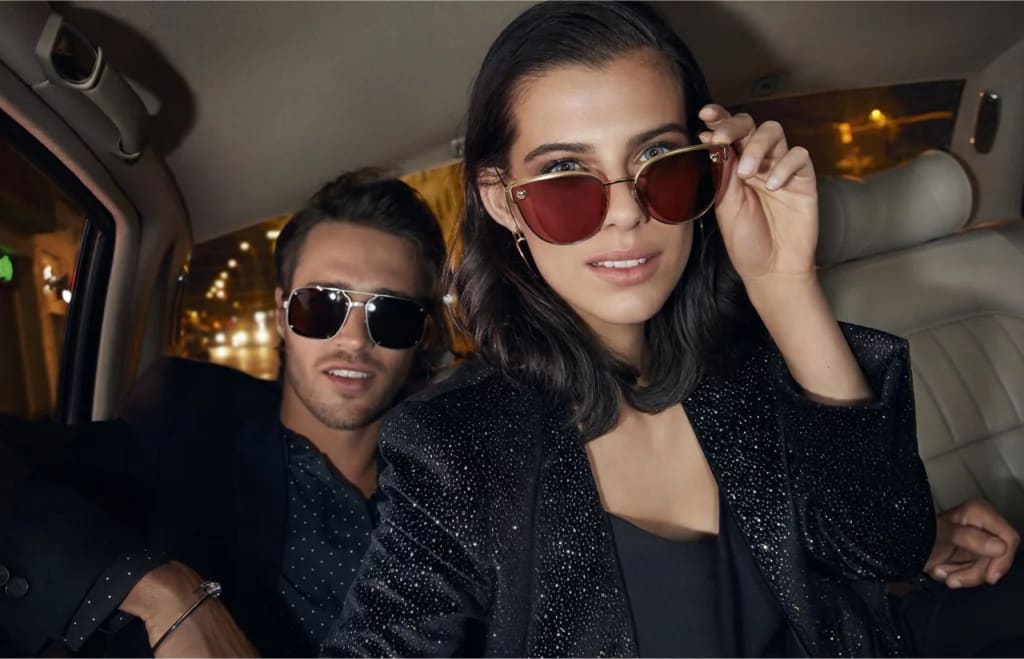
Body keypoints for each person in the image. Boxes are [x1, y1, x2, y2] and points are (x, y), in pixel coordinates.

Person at [322, 3, 1016, 657]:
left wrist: (784, 283)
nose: (627, 212)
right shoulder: (455, 447)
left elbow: (883, 546)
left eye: (659, 161)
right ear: (503, 203)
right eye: (565, 174)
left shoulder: (749, 361)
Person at [0, 170, 449, 657]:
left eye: (391, 314)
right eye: (321, 305)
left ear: (423, 334)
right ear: (281, 315)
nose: (355, 340)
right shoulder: (190, 422)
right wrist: (164, 594)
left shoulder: (455, 478)